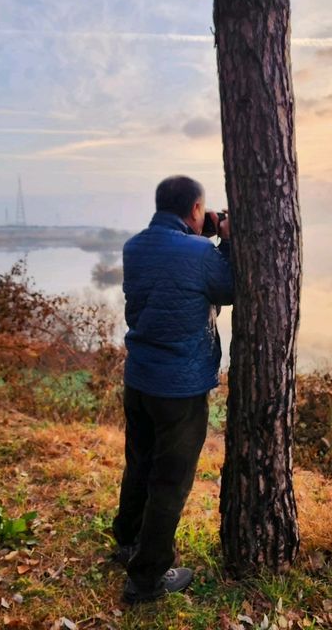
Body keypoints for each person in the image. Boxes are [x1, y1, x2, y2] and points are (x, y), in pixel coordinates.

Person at [112, 175, 233, 604]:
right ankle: (146, 578)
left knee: (139, 465)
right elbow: (230, 288)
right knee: (170, 482)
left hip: (140, 378)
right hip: (179, 390)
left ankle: (126, 542)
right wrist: (228, 242)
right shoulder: (200, 252)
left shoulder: (134, 247)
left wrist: (206, 239)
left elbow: (171, 271)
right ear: (196, 210)